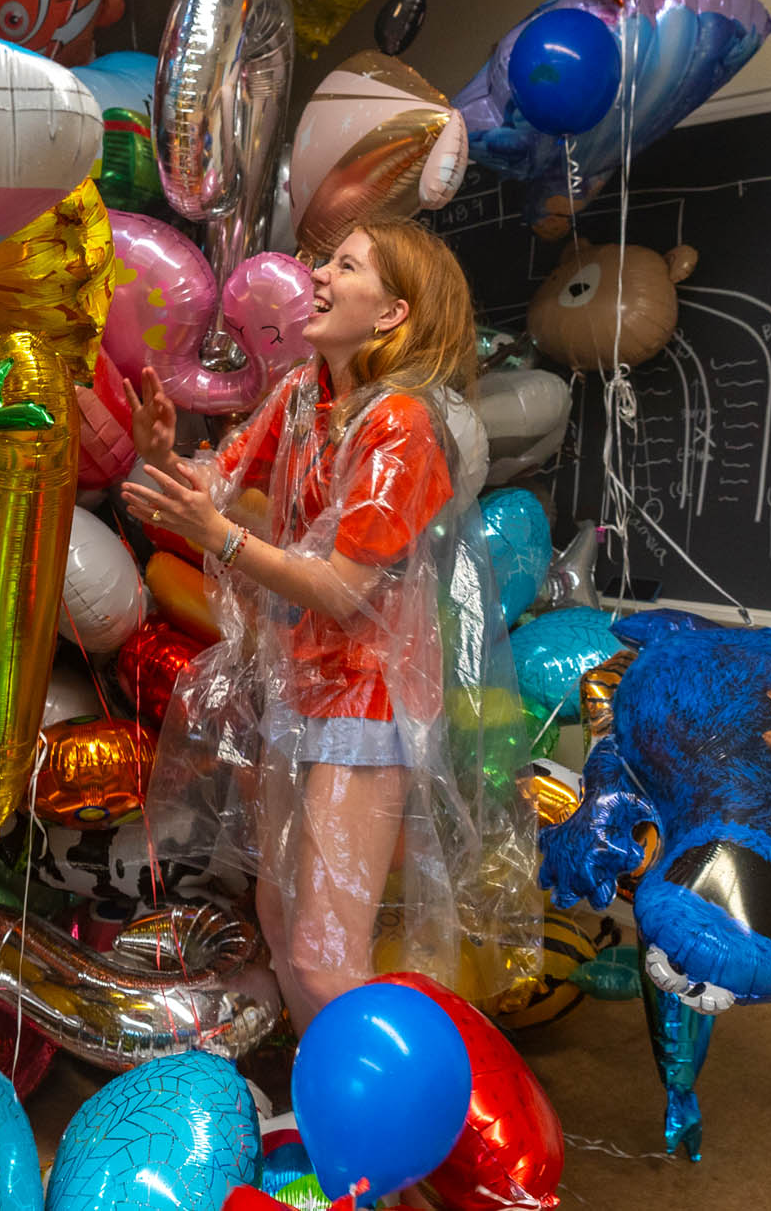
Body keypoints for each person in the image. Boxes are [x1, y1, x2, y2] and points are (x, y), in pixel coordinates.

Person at [120, 218, 494, 1031]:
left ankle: (393, 1143)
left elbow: (342, 588)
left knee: (327, 953)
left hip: (367, 702)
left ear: (392, 313)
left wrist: (218, 534)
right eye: (328, 258)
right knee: (282, 919)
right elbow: (216, 483)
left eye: (346, 265)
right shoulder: (301, 393)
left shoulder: (403, 425)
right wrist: (161, 454)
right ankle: (328, 1119)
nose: (318, 275)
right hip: (303, 690)